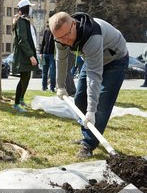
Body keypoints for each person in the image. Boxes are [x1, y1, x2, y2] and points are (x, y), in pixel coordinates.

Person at [49, 11, 129, 158]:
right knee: (79, 99)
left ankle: (88, 144)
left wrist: (91, 111)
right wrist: (60, 85)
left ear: (74, 23)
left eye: (66, 35)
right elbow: (61, 60)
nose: (64, 40)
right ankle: (88, 135)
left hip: (115, 60)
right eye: (59, 38)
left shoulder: (92, 35)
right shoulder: (60, 38)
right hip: (92, 59)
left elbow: (94, 76)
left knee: (101, 105)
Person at [11, 0, 39, 112]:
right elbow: (22, 40)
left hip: (26, 54)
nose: (31, 9)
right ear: (26, 9)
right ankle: (16, 104)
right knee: (23, 79)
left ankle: (21, 99)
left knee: (26, 78)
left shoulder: (25, 21)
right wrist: (31, 55)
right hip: (23, 55)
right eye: (30, 7)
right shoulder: (21, 21)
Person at [40, 24, 56, 92]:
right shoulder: (46, 31)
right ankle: (44, 87)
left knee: (52, 72)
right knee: (44, 72)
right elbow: (43, 42)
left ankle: (52, 87)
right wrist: (41, 53)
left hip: (53, 55)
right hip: (44, 54)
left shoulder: (56, 32)